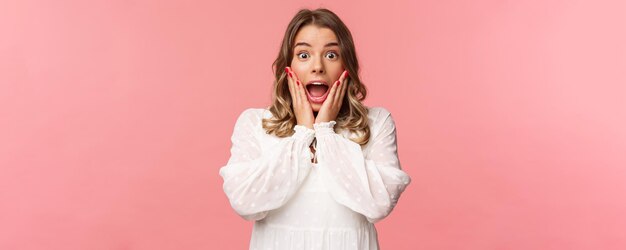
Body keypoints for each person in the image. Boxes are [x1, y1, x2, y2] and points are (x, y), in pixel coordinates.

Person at [219, 8, 411, 250]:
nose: (318, 66)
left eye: (331, 55)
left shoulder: (376, 123)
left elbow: (378, 205)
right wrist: (303, 133)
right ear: (287, 66)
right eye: (303, 55)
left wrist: (325, 132)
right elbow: (246, 203)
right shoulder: (255, 123)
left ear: (346, 66)